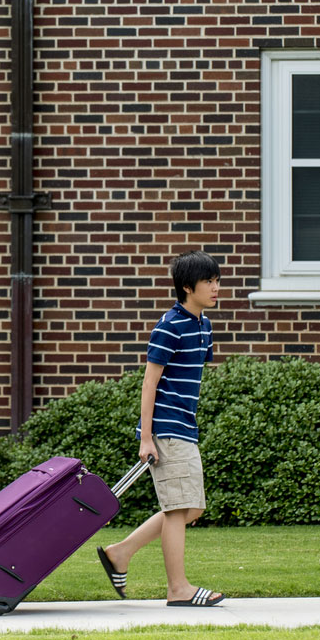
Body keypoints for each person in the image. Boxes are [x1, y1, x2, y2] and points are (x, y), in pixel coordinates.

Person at [96, 250, 226, 607]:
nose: (216, 288)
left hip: (185, 426)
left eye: (217, 281)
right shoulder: (168, 326)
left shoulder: (204, 325)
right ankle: (178, 589)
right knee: (179, 507)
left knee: (190, 508)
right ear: (187, 287)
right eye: (208, 282)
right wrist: (147, 437)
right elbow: (150, 382)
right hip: (167, 429)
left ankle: (120, 553)